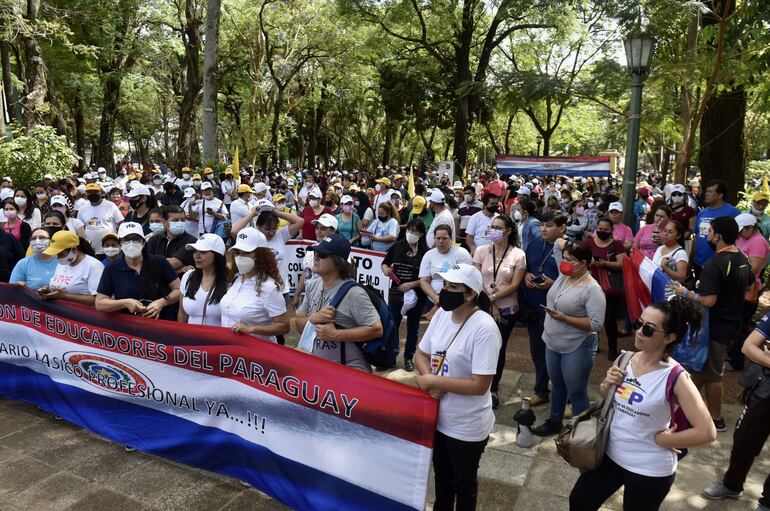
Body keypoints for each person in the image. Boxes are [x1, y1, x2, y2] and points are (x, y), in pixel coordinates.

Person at [570, 299, 716, 511]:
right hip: (609, 454)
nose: (638, 331)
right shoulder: (625, 360)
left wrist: (666, 440)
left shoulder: (676, 377)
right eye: (638, 324)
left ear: (670, 337)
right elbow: (612, 401)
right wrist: (607, 385)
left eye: (648, 329)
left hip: (649, 467)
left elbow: (707, 432)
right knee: (579, 501)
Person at [414, 263, 501, 511]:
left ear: (471, 293)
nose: (445, 291)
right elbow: (421, 353)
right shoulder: (441, 314)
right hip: (437, 417)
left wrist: (434, 381)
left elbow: (480, 385)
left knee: (463, 485)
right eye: (445, 285)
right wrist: (429, 375)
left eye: (453, 287)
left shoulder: (484, 328)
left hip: (466, 425)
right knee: (442, 483)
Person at [672, 216, 752, 432]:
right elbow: (752, 288)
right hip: (731, 323)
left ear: (718, 236)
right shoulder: (743, 258)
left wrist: (686, 293)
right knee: (698, 369)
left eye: (709, 231)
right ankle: (684, 408)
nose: (706, 235)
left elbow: (708, 300)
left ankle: (715, 419)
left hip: (715, 327)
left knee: (712, 374)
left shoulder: (715, 263)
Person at [533, 240, 606, 436]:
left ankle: (582, 433)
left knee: (576, 391)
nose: (564, 262)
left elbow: (596, 324)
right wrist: (570, 242)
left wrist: (565, 318)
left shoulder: (592, 289)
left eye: (570, 260)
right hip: (552, 341)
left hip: (577, 346)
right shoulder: (564, 274)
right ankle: (555, 421)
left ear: (583, 263)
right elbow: (557, 245)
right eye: (564, 259)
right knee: (557, 386)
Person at [702, 311, 770, 508]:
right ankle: (731, 485)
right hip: (764, 389)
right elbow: (749, 347)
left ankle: (767, 502)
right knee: (743, 439)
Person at [295, 233, 383, 371]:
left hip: (349, 373)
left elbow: (377, 329)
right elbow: (299, 324)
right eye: (316, 252)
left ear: (338, 262)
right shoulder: (312, 286)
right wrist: (313, 319)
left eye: (322, 255)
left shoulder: (354, 293)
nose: (316, 257)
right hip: (320, 371)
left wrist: (335, 335)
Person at [473, 214, 526, 409]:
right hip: (482, 307)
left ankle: (492, 388)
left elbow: (515, 285)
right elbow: (476, 280)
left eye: (497, 227)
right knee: (478, 346)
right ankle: (476, 383)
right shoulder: (481, 251)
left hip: (507, 310)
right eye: (491, 226)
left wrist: (494, 300)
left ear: (508, 231)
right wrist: (490, 303)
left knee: (498, 348)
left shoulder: (518, 254)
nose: (492, 230)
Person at [521, 211, 566, 406]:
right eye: (542, 225)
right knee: (538, 352)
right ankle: (541, 390)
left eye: (548, 225)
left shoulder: (568, 248)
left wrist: (553, 283)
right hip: (534, 306)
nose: (543, 229)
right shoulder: (535, 243)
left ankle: (565, 397)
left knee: (559, 356)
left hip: (557, 310)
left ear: (562, 228)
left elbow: (577, 281)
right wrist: (526, 276)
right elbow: (526, 267)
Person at [95, 222, 181, 321]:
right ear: (120, 244)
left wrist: (162, 302)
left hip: (160, 324)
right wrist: (125, 303)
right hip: (128, 328)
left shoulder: (159, 262)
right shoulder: (112, 268)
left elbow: (178, 290)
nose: (131, 243)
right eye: (126, 240)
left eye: (135, 239)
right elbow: (100, 303)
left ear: (143, 242)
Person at [220, 227, 290, 343]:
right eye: (237, 252)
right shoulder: (235, 280)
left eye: (246, 253)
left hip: (256, 353)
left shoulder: (269, 287)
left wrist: (252, 329)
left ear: (260, 255)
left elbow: (284, 326)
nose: (240, 257)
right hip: (231, 351)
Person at [382, 218, 429, 371]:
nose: (410, 233)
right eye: (409, 229)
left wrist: (412, 284)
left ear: (421, 234)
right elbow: (384, 263)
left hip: (417, 296)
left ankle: (409, 357)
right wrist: (385, 270)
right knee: (392, 325)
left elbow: (426, 277)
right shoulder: (397, 246)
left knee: (413, 328)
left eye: (414, 231)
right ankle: (390, 356)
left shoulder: (426, 253)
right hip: (397, 294)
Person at [725, 213, 770, 372]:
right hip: (738, 288)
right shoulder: (744, 237)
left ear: (750, 228)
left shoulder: (759, 242)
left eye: (741, 230)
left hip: (747, 290)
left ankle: (736, 360)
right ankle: (732, 354)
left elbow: (754, 269)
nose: (738, 234)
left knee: (742, 325)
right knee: (735, 323)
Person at [587, 217, 627, 360]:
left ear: (611, 230)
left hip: (610, 287)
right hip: (592, 285)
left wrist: (605, 264)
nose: (602, 232)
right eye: (600, 229)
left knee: (609, 319)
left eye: (606, 229)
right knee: (592, 316)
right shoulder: (590, 243)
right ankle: (594, 344)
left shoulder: (617, 245)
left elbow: (623, 264)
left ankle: (612, 347)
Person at [420, 224, 473, 318]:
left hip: (456, 300)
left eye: (444, 238)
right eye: (438, 238)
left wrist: (443, 299)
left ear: (451, 238)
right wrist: (435, 297)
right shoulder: (428, 255)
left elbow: (463, 280)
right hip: (433, 299)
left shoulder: (461, 253)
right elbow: (424, 281)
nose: (441, 241)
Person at [39, 230, 103, 306]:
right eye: (56, 254)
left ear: (74, 250)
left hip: (82, 315)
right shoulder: (63, 263)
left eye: (61, 254)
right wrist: (48, 291)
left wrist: (66, 297)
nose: (58, 258)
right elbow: (61, 288)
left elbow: (98, 300)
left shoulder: (94, 266)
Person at [178, 234, 228, 326]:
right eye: (195, 251)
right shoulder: (187, 276)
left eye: (203, 252)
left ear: (217, 255)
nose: (197, 256)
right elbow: (182, 314)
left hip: (219, 339)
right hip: (191, 339)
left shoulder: (231, 280)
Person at [693, 179, 740, 275]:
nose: (706, 194)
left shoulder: (732, 212)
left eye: (710, 192)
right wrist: (691, 258)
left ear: (720, 195)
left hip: (720, 265)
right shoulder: (702, 212)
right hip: (698, 262)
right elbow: (697, 236)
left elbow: (740, 238)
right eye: (706, 191)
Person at [290, 214, 337, 310]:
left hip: (328, 298)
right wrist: (296, 295)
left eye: (323, 229)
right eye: (317, 228)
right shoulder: (312, 248)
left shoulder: (339, 251)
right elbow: (306, 273)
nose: (318, 232)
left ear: (333, 231)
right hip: (309, 296)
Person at [146, 205, 199, 273]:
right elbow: (145, 264)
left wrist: (153, 262)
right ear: (165, 223)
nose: (180, 223)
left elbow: (173, 264)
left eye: (182, 220)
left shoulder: (191, 241)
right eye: (175, 220)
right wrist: (178, 270)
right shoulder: (154, 240)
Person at [77, 182, 124, 259]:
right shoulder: (82, 209)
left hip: (111, 249)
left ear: (100, 192)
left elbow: (121, 224)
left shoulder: (110, 206)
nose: (92, 194)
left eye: (95, 192)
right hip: (91, 250)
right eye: (90, 192)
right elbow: (79, 228)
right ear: (86, 194)